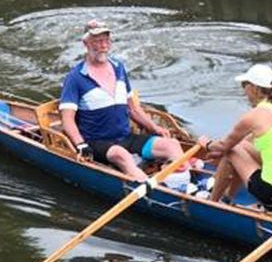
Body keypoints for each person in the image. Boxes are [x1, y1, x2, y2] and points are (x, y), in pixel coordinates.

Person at [58, 19, 185, 182]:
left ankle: (185, 185)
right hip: (97, 143)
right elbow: (67, 119)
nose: (103, 45)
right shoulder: (75, 78)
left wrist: (154, 127)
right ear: (86, 43)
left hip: (126, 137)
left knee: (172, 145)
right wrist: (81, 144)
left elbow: (133, 109)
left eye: (106, 40)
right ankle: (154, 192)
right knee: (121, 154)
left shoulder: (118, 68)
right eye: (97, 41)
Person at [197, 64, 272, 207]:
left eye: (244, 85)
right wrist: (222, 150)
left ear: (254, 88)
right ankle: (227, 198)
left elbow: (223, 146)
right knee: (241, 146)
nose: (244, 91)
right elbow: (250, 139)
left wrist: (208, 145)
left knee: (231, 151)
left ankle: (212, 202)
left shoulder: (253, 116)